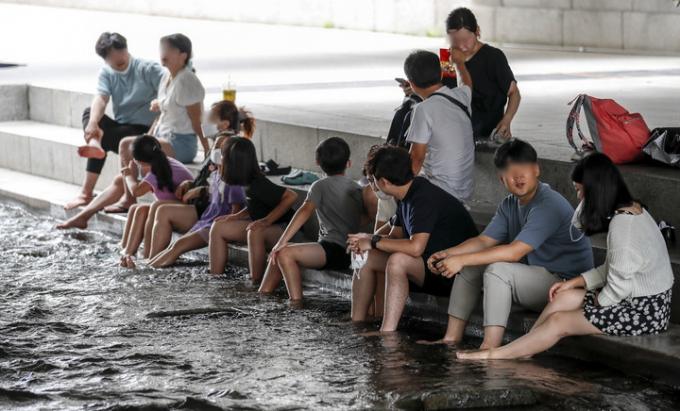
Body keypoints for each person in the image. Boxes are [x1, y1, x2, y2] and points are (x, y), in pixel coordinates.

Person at [458, 153, 674, 360]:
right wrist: (575, 283)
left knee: (559, 322)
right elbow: (614, 268)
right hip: (637, 300)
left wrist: (595, 303)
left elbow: (618, 288)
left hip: (644, 312)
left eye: (580, 191)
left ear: (595, 191)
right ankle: (525, 348)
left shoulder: (622, 227)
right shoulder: (631, 209)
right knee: (562, 297)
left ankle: (494, 355)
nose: (579, 197)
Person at [424, 139, 594, 348]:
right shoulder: (509, 204)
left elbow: (515, 252)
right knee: (470, 266)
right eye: (510, 172)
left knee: (498, 271)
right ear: (501, 178)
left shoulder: (548, 204)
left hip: (565, 286)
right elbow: (484, 240)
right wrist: (449, 254)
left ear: (536, 170)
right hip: (538, 278)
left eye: (524, 169)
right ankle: (451, 339)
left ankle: (490, 347)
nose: (518, 177)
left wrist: (461, 259)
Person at [347, 146, 478, 332]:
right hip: (430, 265)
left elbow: (416, 247)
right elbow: (395, 235)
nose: (372, 186)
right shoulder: (407, 193)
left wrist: (373, 241)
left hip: (452, 273)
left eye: (373, 180)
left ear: (383, 182)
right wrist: (366, 240)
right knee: (366, 256)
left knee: (398, 261)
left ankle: (387, 331)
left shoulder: (423, 198)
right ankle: (357, 322)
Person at [109, 33, 208, 213]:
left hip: (181, 142)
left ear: (183, 55)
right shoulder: (166, 77)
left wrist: (208, 151)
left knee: (131, 147)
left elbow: (197, 119)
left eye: (168, 49)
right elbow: (162, 114)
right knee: (126, 144)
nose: (163, 53)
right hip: (162, 137)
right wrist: (147, 137)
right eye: (162, 48)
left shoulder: (188, 80)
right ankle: (129, 197)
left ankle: (131, 194)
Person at [148, 102, 255, 267]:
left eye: (210, 118)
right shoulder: (218, 172)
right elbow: (213, 188)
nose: (214, 151)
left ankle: (149, 268)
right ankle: (148, 264)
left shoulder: (231, 178)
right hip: (208, 218)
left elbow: (235, 208)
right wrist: (194, 186)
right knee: (174, 244)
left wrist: (222, 226)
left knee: (176, 243)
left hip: (213, 221)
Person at [65, 32, 164, 211]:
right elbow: (101, 98)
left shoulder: (147, 69)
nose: (120, 60)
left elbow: (169, 92)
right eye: (113, 58)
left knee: (102, 138)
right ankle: (94, 142)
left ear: (126, 49)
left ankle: (86, 192)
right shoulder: (107, 72)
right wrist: (93, 123)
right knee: (90, 113)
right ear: (105, 60)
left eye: (122, 54)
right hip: (122, 127)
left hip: (144, 131)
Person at [258, 137, 364, 301]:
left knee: (283, 253)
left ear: (317, 162)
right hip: (346, 251)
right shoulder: (357, 188)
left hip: (335, 250)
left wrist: (281, 242)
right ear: (348, 163)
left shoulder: (319, 186)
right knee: (278, 253)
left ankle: (296, 304)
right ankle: (263, 295)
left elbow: (304, 211)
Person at [209, 137, 298, 281]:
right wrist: (237, 216)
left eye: (223, 155)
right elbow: (256, 205)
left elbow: (291, 196)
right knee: (218, 226)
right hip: (269, 228)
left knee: (254, 231)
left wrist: (267, 221)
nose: (221, 159)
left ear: (233, 162)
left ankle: (255, 281)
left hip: (286, 230)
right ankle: (215, 277)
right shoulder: (246, 181)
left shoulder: (258, 183)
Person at [403, 50, 475, 205]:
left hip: (440, 193)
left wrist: (398, 189)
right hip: (464, 193)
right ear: (441, 74)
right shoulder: (461, 97)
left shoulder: (423, 110)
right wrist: (459, 63)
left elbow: (416, 160)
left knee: (383, 196)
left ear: (411, 83)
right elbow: (466, 83)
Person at [118, 135, 194, 268]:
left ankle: (147, 256)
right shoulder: (162, 163)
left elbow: (136, 191)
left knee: (155, 206)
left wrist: (128, 175)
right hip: (177, 208)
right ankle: (126, 251)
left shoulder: (157, 171)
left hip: (188, 212)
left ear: (138, 161)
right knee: (137, 208)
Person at [446, 7, 520, 141]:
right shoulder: (447, 57)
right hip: (456, 125)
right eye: (455, 41)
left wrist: (507, 120)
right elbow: (443, 93)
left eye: (465, 40)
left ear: (477, 32)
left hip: (485, 128)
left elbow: (514, 93)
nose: (461, 46)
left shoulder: (493, 57)